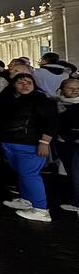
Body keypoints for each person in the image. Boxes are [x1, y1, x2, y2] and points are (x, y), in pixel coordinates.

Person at [0, 73, 59, 222]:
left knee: (30, 174)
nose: (25, 85)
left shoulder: (40, 100)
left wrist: (44, 142)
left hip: (29, 143)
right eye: (20, 83)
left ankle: (40, 209)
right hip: (10, 142)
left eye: (28, 82)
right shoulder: (8, 99)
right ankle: (27, 200)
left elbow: (51, 123)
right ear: (13, 85)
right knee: (22, 173)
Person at [56, 78, 79, 216]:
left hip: (75, 142)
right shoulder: (57, 104)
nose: (74, 91)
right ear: (62, 90)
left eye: (77, 88)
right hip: (64, 143)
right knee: (71, 170)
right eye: (70, 88)